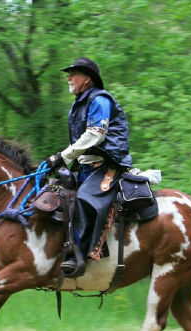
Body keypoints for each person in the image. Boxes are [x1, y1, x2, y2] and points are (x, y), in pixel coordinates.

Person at [47, 57, 132, 276]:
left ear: (87, 79)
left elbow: (95, 134)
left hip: (107, 165)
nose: (69, 78)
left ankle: (80, 255)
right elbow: (81, 141)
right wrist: (60, 159)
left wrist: (62, 156)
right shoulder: (79, 105)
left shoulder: (99, 100)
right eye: (69, 74)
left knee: (84, 199)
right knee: (55, 195)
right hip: (85, 167)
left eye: (73, 74)